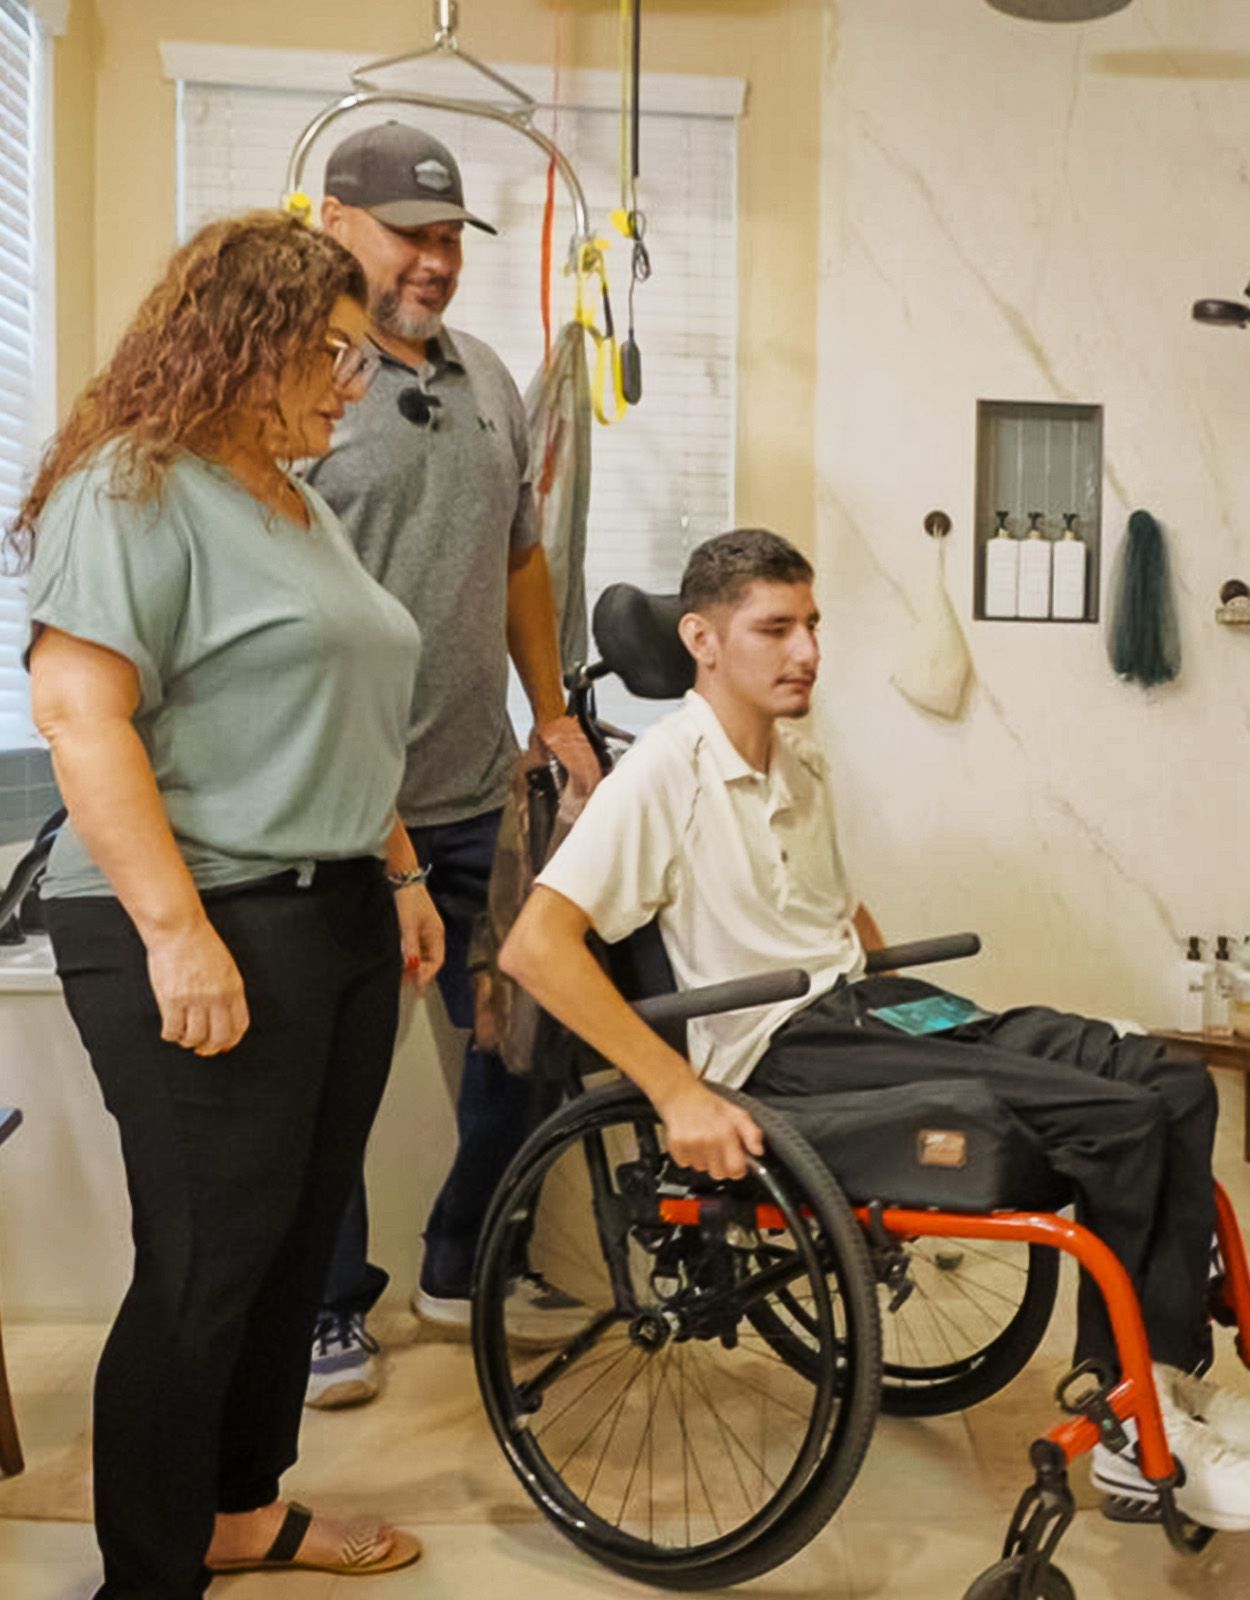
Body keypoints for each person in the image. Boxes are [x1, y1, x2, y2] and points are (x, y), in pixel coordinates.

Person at [500, 526, 1250, 1534]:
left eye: (811, 624)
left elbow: (834, 912)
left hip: (868, 1011)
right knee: (1113, 1120)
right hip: (783, 1046)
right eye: (774, 628)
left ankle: (1161, 1373)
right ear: (701, 640)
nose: (806, 650)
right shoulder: (661, 774)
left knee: (1171, 1081)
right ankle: (1129, 1417)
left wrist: (922, 1016)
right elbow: (536, 948)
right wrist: (678, 1093)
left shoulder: (797, 755)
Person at [14, 212, 439, 1597]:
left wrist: (397, 870)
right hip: (195, 912)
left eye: (362, 358)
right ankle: (147, 1572)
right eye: (329, 351)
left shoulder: (291, 497)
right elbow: (82, 715)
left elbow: (328, 709)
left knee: (293, 1237)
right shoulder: (133, 484)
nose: (351, 383)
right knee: (203, 1263)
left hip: (330, 910)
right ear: (239, 341)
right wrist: (177, 932)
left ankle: (241, 1511)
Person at [302, 121, 600, 1407]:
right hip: (334, 811)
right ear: (332, 225)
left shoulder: (482, 371)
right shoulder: (294, 383)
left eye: (446, 239)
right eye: (406, 234)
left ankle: (464, 1253)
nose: (433, 262)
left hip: (477, 793)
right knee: (332, 1083)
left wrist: (554, 714)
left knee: (524, 1043)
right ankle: (325, 1310)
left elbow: (521, 557)